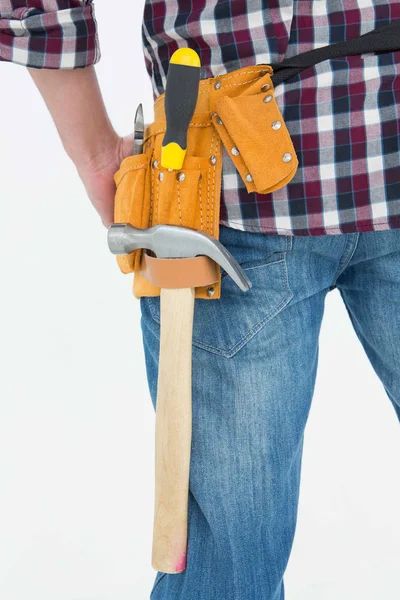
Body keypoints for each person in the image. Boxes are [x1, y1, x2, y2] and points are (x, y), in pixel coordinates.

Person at [2, 2, 400, 599]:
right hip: (215, 212)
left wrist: (96, 159)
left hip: (224, 208)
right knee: (223, 570)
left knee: (225, 569)